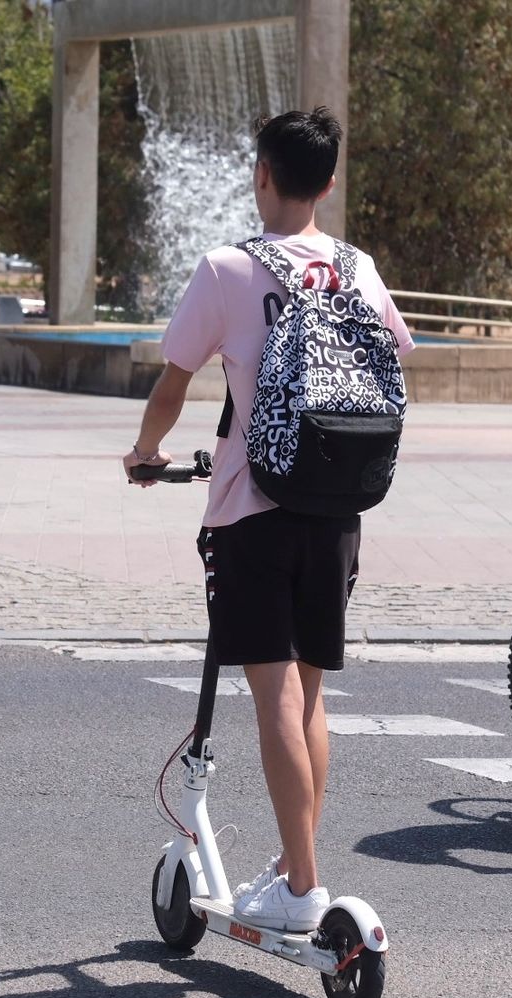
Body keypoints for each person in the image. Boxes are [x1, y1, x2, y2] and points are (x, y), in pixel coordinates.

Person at [122, 107, 415, 933]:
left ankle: (301, 888)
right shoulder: (359, 269)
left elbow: (175, 382)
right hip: (339, 513)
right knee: (310, 698)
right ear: (327, 184)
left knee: (275, 699)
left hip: (254, 512)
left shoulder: (227, 270)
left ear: (261, 175)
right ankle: (294, 864)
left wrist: (146, 450)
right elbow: (394, 359)